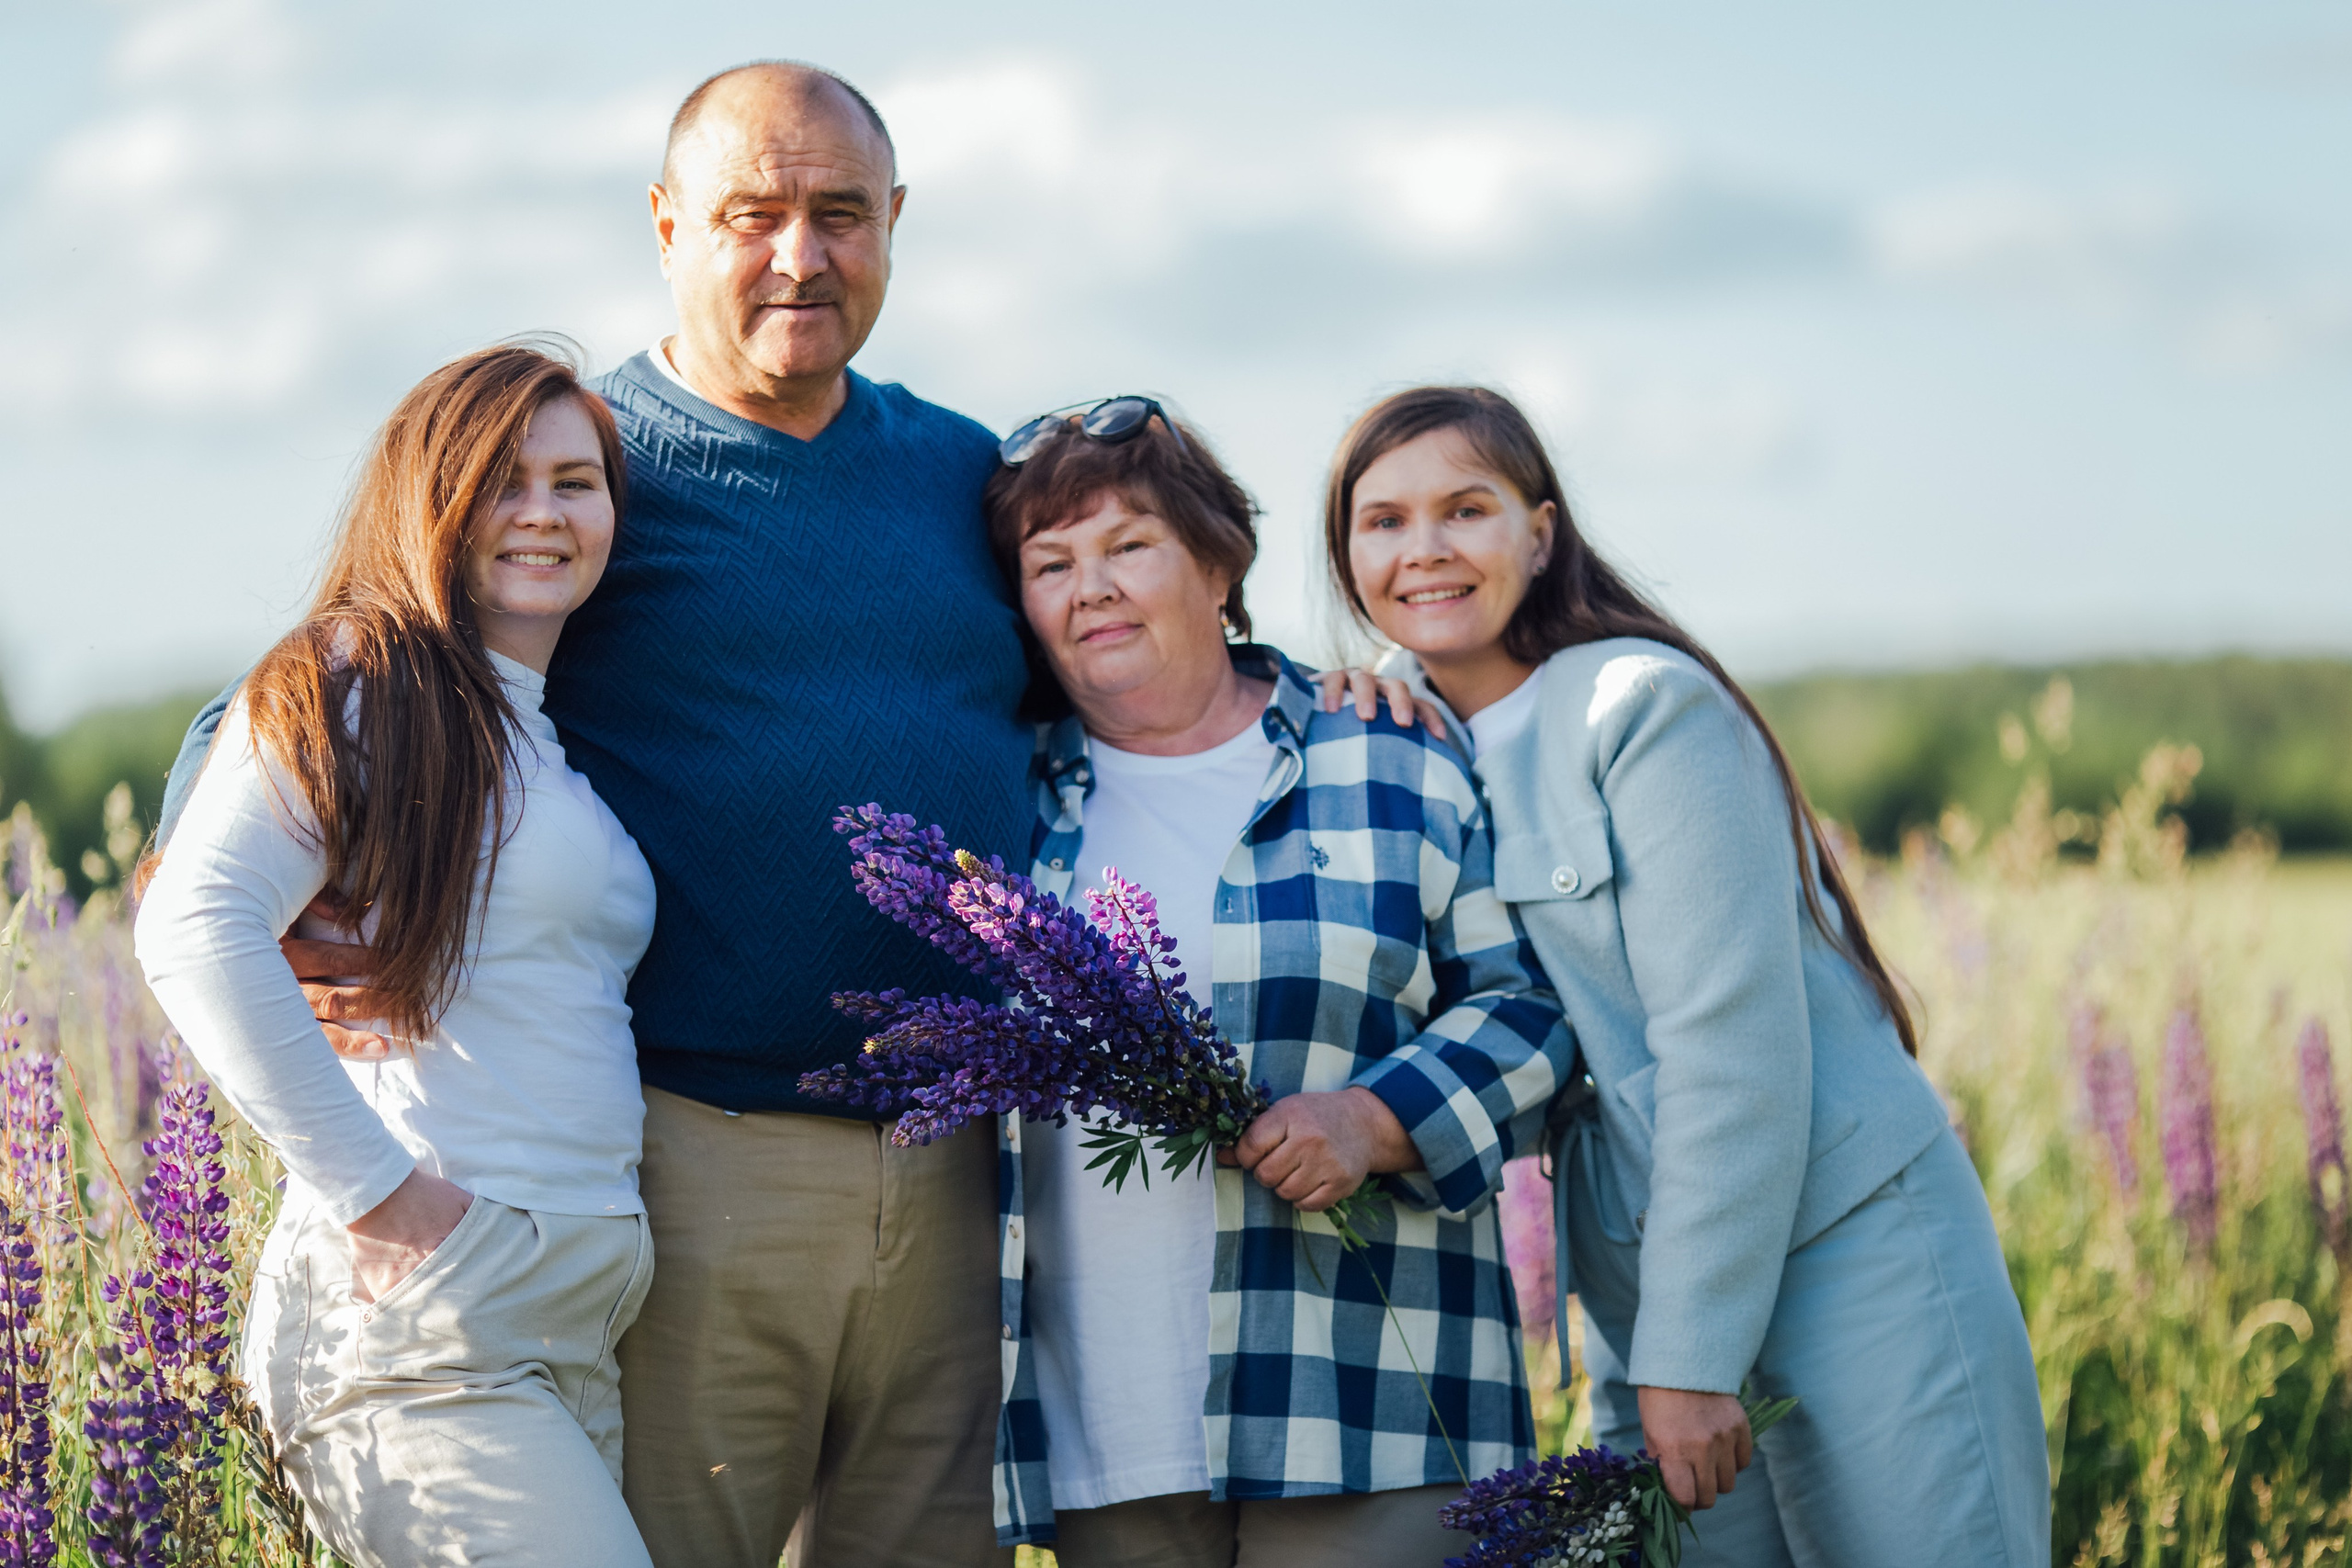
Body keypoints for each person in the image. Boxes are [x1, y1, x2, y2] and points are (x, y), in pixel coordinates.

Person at [156, 62, 1031, 1568]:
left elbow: (1126, 637)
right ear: (669, 223)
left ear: (896, 221)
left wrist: (1319, 689)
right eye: (754, 213)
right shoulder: (594, 458)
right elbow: (297, 705)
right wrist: (254, 876)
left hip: (954, 1163)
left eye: (839, 213)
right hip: (698, 1160)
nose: (798, 256)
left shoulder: (964, 469)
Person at [1319, 385, 2051, 1565]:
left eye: (1466, 509)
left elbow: (1732, 1050)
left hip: (1844, 1233)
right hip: (1642, 1274)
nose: (1426, 550)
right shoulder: (1396, 745)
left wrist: (1688, 1358)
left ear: (1540, 532)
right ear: (1348, 556)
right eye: (1385, 522)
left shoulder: (1643, 712)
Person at [978, 398, 1577, 1565]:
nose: (1089, 587)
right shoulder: (1003, 792)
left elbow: (1531, 1010)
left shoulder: (1390, 749)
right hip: (1107, 1430)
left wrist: (1373, 1120)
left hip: (1364, 1401)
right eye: (1051, 564)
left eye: (1129, 546)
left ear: (1218, 562)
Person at [135, 344, 660, 1567]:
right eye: (500, 478)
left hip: (567, 1318)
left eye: (575, 481)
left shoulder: (535, 737)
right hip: (425, 1319)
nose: (541, 511)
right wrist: (385, 1200)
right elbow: (195, 918)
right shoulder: (361, 675)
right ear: (427, 497)